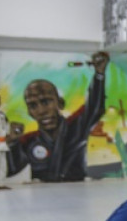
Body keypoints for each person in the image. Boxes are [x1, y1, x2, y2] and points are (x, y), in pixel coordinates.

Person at [7, 51, 108, 182]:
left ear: (60, 103)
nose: (41, 111)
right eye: (33, 105)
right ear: (29, 112)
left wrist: (99, 74)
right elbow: (10, 171)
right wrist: (13, 143)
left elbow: (95, 107)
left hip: (76, 193)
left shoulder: (76, 127)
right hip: (44, 197)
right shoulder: (29, 141)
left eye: (46, 102)